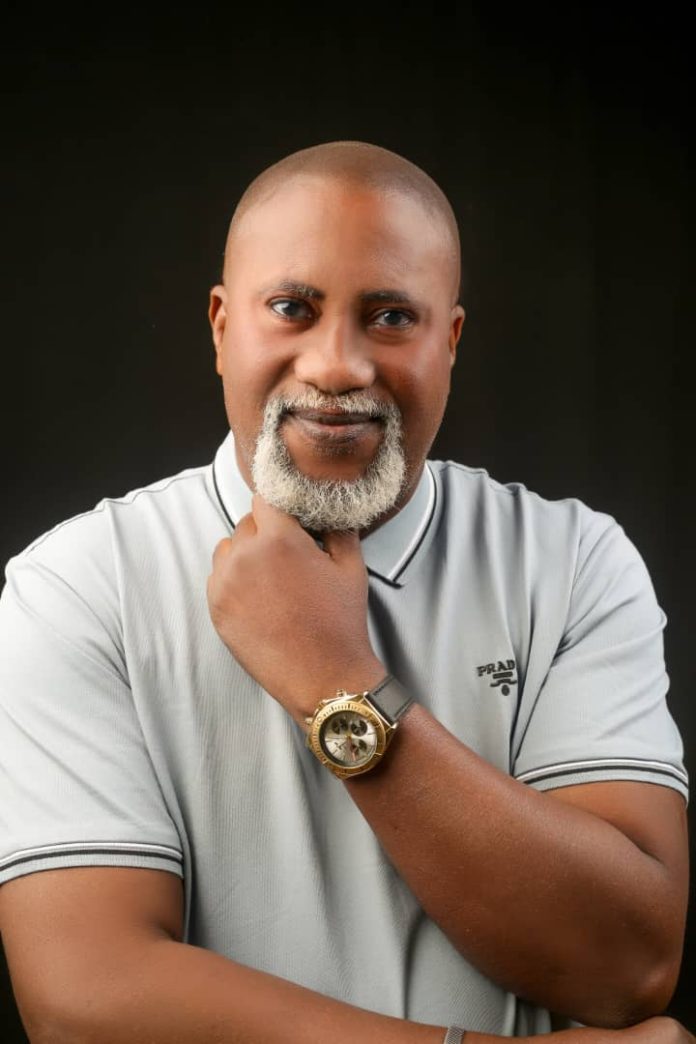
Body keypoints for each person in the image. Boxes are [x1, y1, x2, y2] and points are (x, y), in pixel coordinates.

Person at [0, 141, 691, 1044]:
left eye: (391, 316)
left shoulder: (571, 562)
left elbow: (627, 965)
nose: (337, 366)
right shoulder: (78, 584)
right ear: (221, 328)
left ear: (449, 341)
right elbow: (84, 996)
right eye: (292, 308)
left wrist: (333, 677)